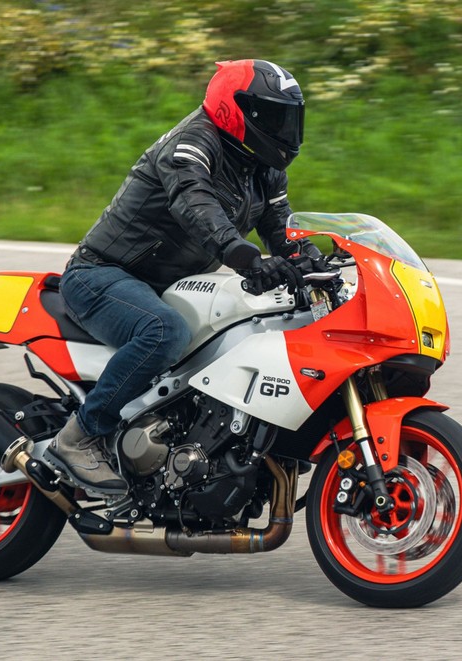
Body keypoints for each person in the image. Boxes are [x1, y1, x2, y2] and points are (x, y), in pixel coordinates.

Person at [44, 59, 322, 494]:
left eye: (289, 118)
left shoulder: (262, 166)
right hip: (103, 274)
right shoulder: (191, 144)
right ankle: (79, 437)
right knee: (163, 331)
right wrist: (243, 256)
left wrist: (312, 258)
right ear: (236, 111)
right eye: (272, 117)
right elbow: (195, 203)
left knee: (255, 325)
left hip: (170, 285)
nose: (284, 129)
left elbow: (280, 226)